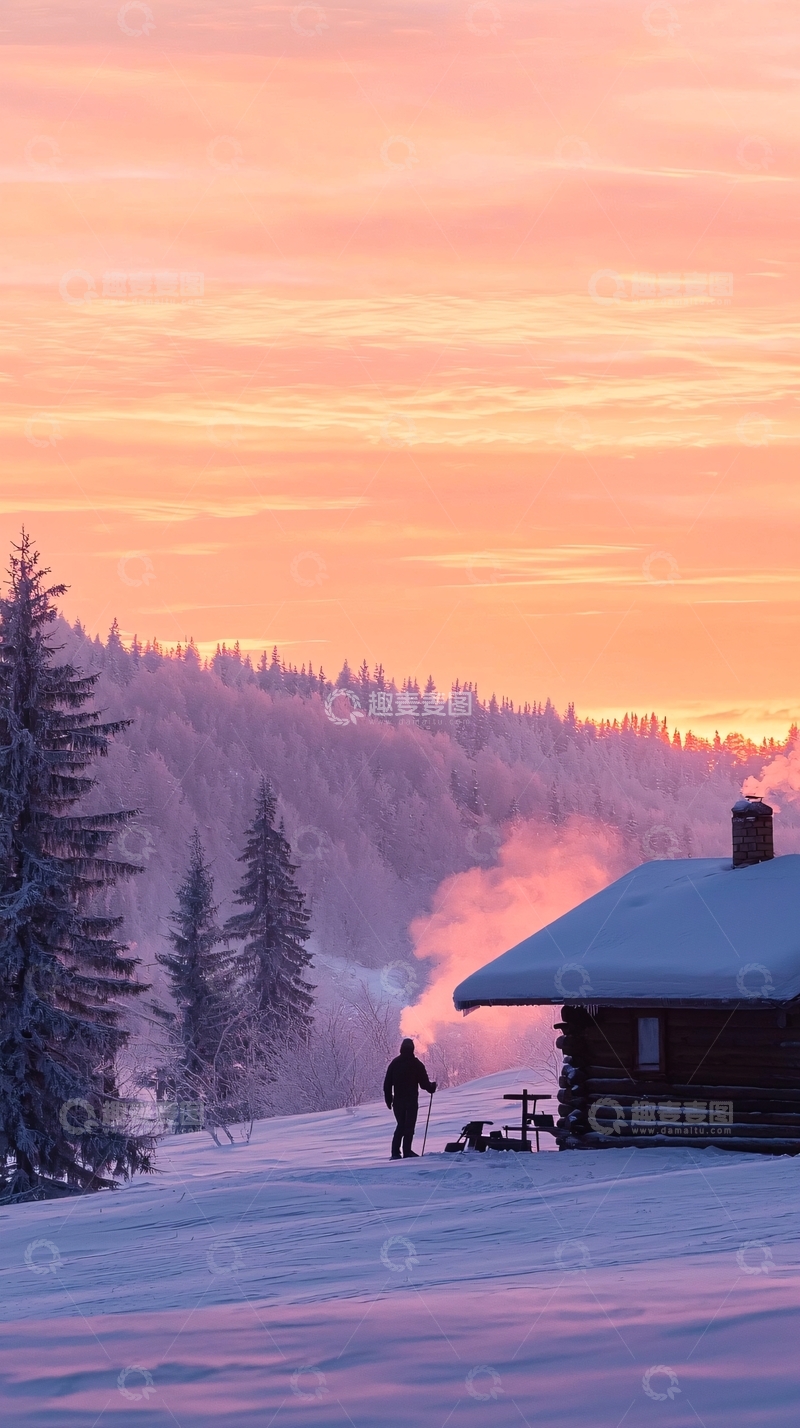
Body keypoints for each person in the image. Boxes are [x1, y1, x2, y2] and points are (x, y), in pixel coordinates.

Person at [384, 1038, 437, 1159]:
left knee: (400, 1125)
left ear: (401, 1048)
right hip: (411, 1101)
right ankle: (407, 1151)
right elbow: (424, 1084)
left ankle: (395, 1153)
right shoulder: (416, 1064)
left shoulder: (395, 1063)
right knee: (409, 1126)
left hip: (398, 1101)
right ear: (413, 1049)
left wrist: (388, 1099)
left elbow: (387, 1084)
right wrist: (432, 1087)